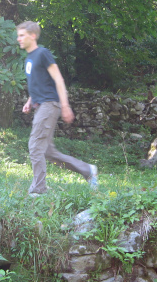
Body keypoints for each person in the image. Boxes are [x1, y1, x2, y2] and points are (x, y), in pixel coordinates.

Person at [16, 21, 98, 196]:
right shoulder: (28, 59)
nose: (19, 39)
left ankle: (38, 190)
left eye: (22, 35)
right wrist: (29, 101)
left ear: (33, 36)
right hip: (40, 105)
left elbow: (58, 79)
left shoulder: (43, 53)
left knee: (35, 146)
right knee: (48, 151)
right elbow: (37, 84)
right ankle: (88, 170)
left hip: (49, 104)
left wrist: (65, 105)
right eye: (18, 36)